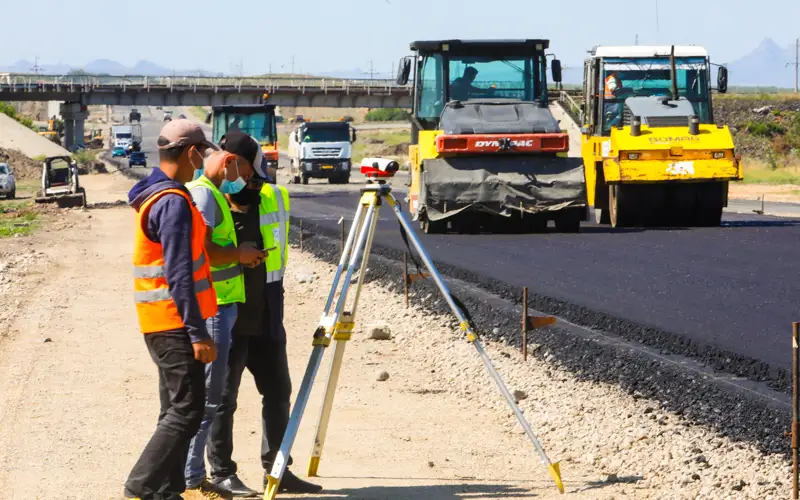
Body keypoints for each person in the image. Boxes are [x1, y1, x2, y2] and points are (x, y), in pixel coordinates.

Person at [206, 157, 322, 496]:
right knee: (223, 399)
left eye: (247, 171)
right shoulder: (212, 202)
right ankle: (221, 473)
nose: (241, 178)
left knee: (277, 391)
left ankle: (278, 468)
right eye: (236, 170)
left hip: (269, 310)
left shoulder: (272, 197)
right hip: (231, 314)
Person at [124, 119, 221, 500]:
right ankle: (141, 487)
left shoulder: (158, 195)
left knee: (175, 409)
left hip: (161, 320)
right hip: (174, 322)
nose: (203, 161)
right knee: (187, 410)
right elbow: (179, 274)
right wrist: (197, 334)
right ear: (191, 152)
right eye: (202, 153)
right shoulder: (173, 203)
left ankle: (166, 491)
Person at [183, 130, 266, 498]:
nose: (243, 184)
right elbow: (201, 253)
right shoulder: (205, 194)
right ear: (229, 161)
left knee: (212, 399)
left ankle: (193, 476)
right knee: (208, 399)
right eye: (242, 175)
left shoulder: (214, 193)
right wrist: (241, 254)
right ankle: (191, 480)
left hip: (223, 306)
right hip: (213, 307)